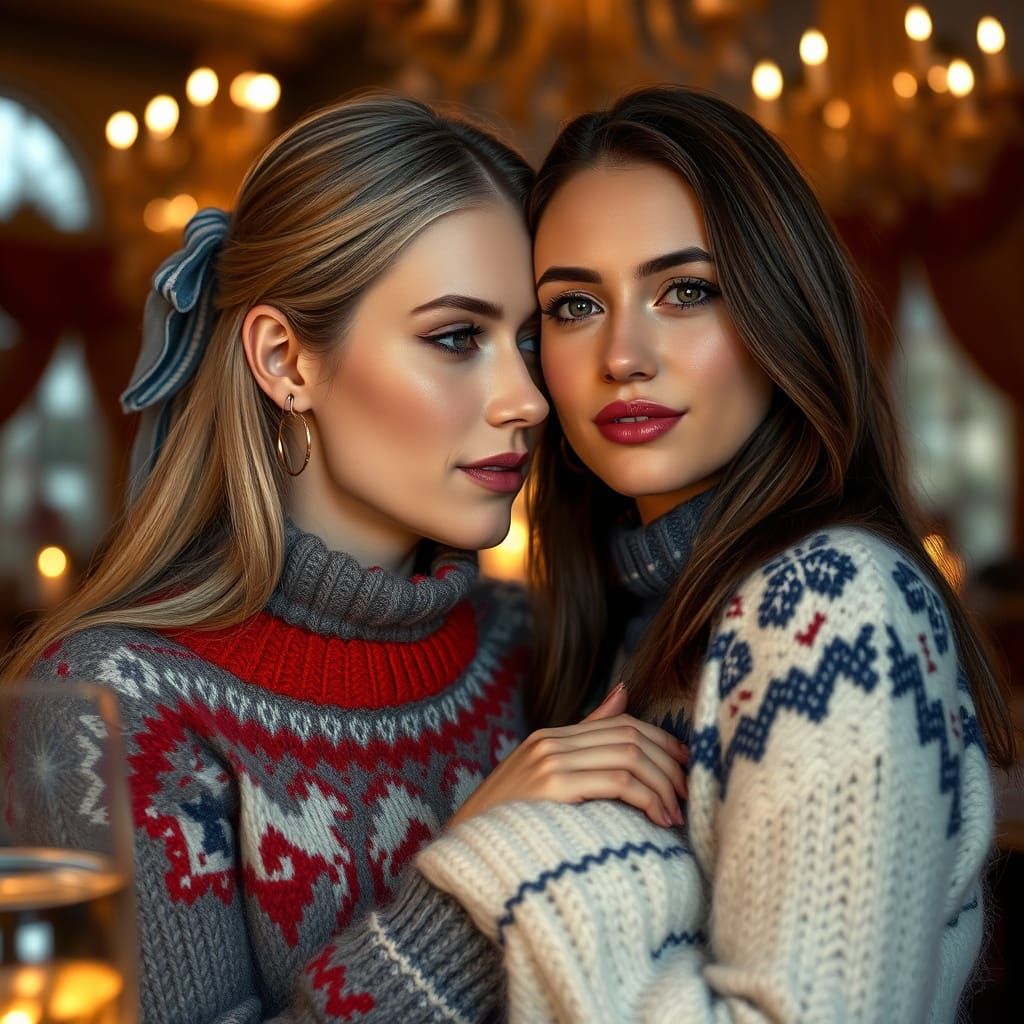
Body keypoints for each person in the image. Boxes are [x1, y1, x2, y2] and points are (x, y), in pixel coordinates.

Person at [1, 94, 687, 1023]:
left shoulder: (531, 643)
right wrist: (472, 883)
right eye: (456, 337)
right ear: (286, 360)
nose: (527, 398)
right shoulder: (105, 709)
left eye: (530, 340)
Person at [414, 86, 1015, 1022]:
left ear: (782, 309)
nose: (623, 354)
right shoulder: (626, 618)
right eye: (574, 306)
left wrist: (517, 855)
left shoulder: (827, 604)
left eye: (686, 291)